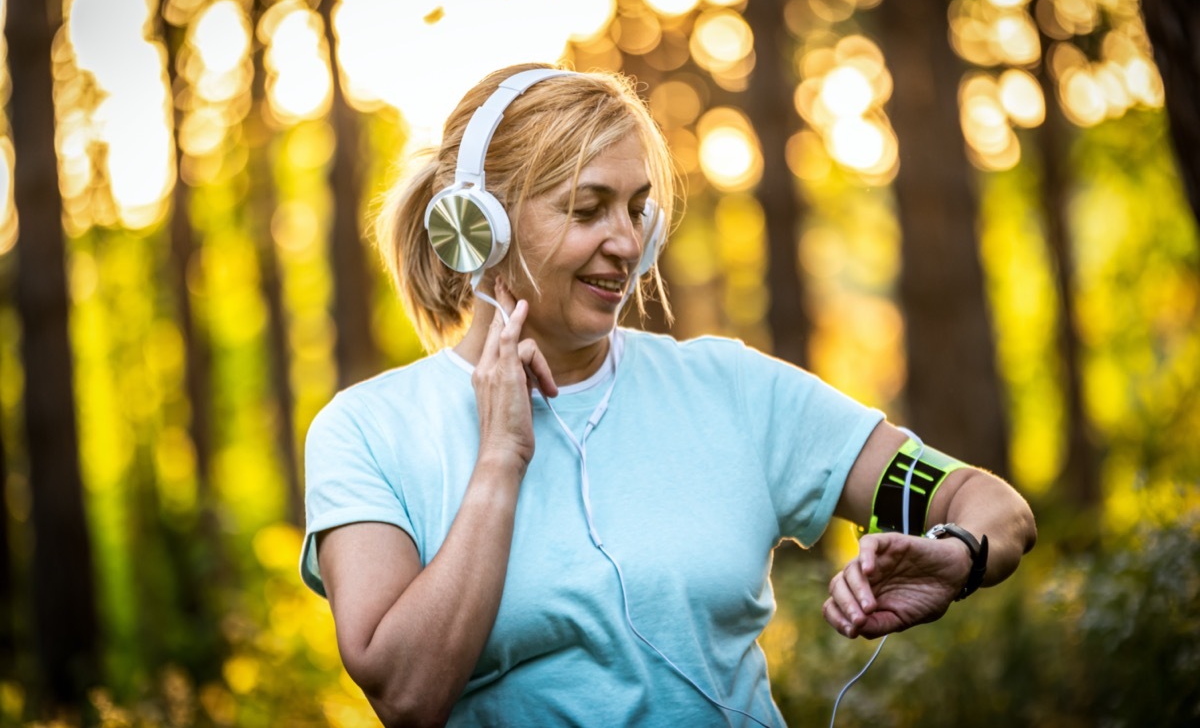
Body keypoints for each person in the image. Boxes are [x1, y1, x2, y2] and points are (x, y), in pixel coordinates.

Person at [300, 63, 1037, 728]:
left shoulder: (732, 391)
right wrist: (499, 462)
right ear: (478, 229)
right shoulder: (368, 432)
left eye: (636, 208)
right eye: (587, 209)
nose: (628, 243)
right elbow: (406, 696)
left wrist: (961, 555)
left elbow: (988, 504)